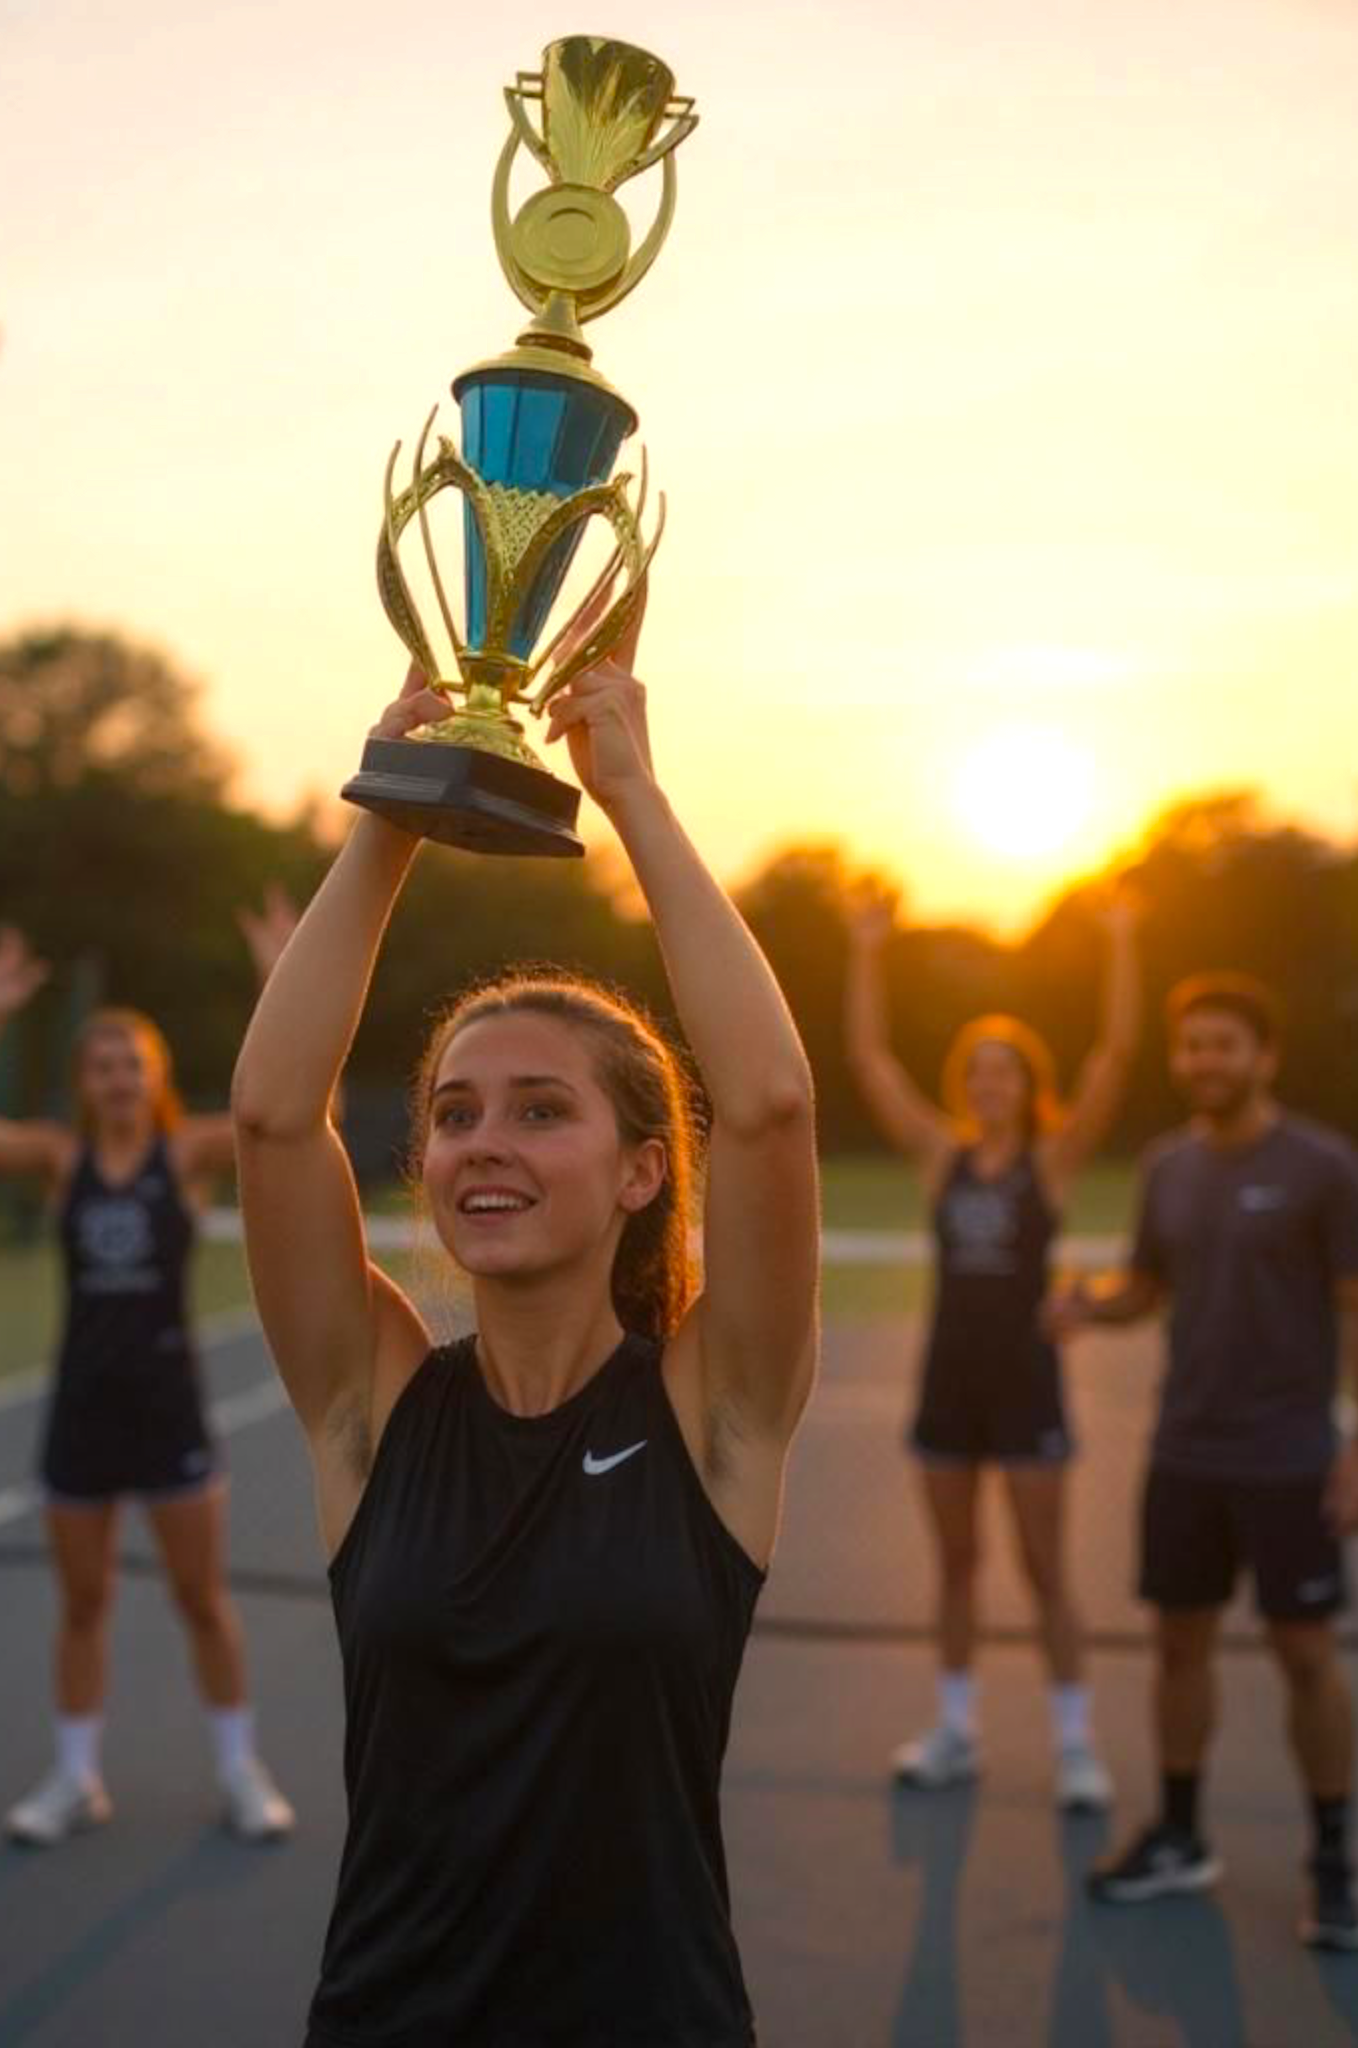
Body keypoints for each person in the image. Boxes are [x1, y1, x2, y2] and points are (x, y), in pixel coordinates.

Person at [231, 600, 819, 2047]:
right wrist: (390, 813)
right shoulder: (373, 1409)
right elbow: (267, 1117)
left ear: (640, 1173)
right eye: (454, 1113)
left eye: (541, 1111)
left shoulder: (711, 1417)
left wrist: (632, 793)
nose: (484, 1142)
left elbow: (770, 1106)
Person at [0, 911, 299, 1847]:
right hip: (81, 1412)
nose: (119, 1079)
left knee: (201, 1599)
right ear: (85, 1086)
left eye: (132, 1063)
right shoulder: (62, 1161)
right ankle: (76, 1777)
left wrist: (281, 977)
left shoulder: (188, 1153)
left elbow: (298, 1106)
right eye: (102, 1067)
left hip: (168, 1407)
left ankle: (238, 1769)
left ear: (155, 1074)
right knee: (83, 1604)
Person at [1046, 971, 1358, 1951]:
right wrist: (1087, 1305)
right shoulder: (1166, 1167)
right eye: (1190, 1043)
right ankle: (1180, 1833)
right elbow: (1145, 1286)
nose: (1202, 1060)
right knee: (1176, 1647)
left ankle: (1330, 1859)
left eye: (1222, 1044)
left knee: (1303, 1655)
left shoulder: (1322, 1166)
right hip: (1184, 1455)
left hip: (1287, 1459)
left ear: (1262, 1056)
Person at [845, 891, 1139, 1809]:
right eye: (977, 1072)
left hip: (1028, 1390)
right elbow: (867, 1059)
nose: (988, 1085)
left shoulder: (1051, 1162)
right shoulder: (942, 1157)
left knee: (1048, 1573)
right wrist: (866, 950)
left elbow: (1117, 1055)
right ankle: (958, 1731)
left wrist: (1122, 943)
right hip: (949, 1387)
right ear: (964, 1084)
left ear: (1028, 1085)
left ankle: (1076, 1747)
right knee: (958, 1569)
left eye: (1005, 1072)